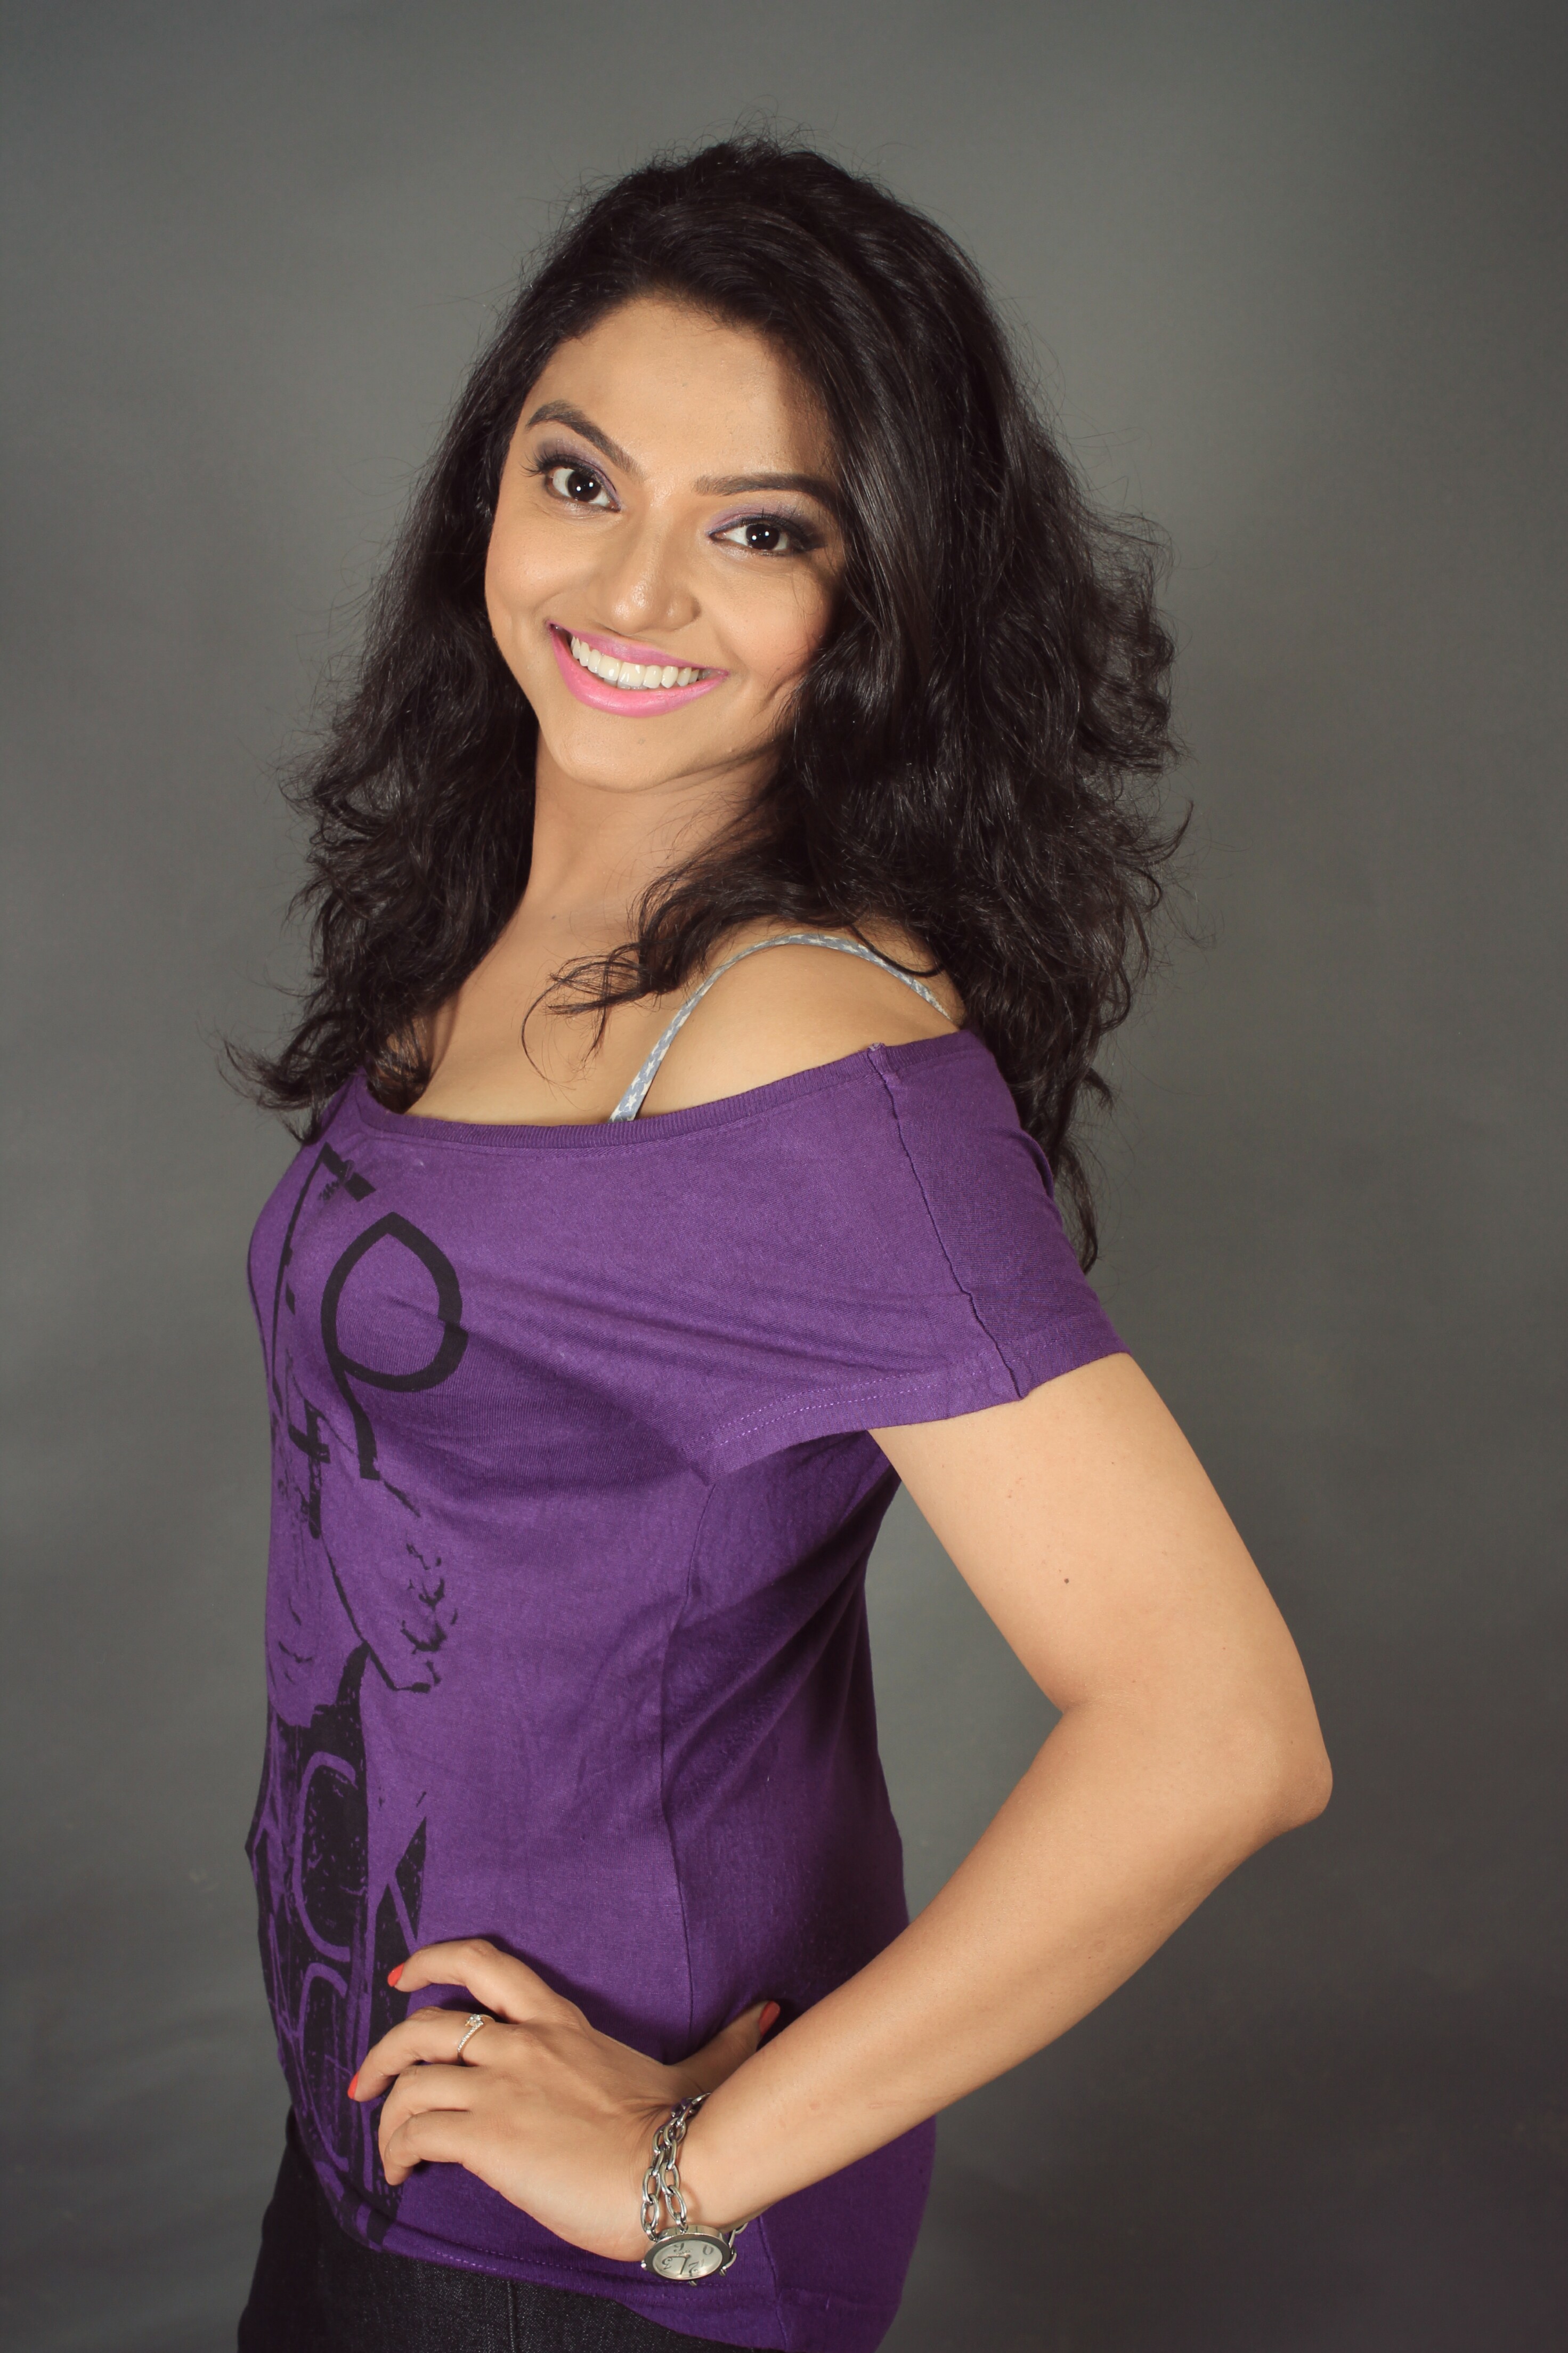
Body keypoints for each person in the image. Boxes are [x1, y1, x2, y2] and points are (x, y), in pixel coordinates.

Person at [234, 136, 1330, 2353]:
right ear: (488, 489)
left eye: (760, 531)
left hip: (593, 2265)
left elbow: (1219, 1730)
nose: (633, 590)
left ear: (880, 599)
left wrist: (679, 2174)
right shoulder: (508, 913)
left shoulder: (804, 1049)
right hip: (385, 2139)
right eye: (580, 479)